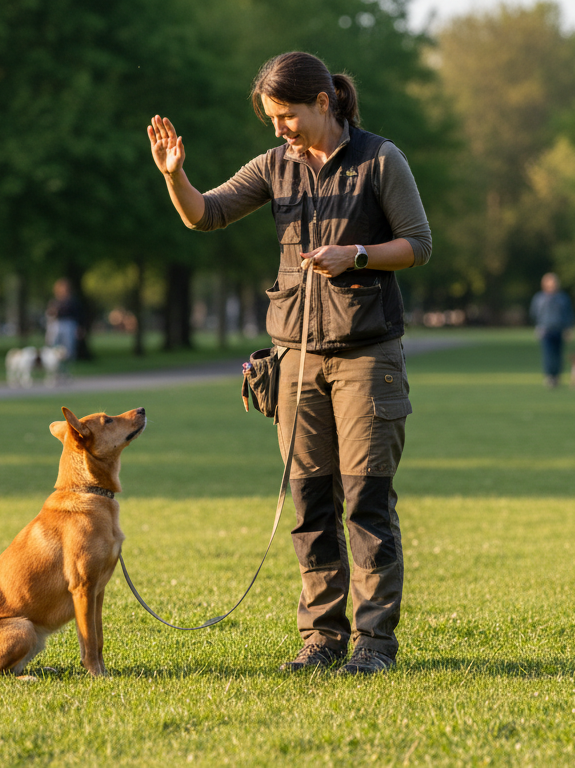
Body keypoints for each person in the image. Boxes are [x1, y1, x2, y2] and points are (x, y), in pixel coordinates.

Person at [147, 51, 432, 675]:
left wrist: (357, 254)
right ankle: (321, 640)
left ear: (322, 102)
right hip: (295, 359)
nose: (279, 129)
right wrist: (175, 176)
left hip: (366, 355)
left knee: (365, 501)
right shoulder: (273, 166)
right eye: (271, 118)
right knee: (310, 504)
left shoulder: (381, 160)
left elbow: (418, 244)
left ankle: (374, 644)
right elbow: (206, 214)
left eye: (287, 116)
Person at [530, 273, 575, 388]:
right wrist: (538, 327)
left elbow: (568, 314)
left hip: (559, 329)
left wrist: (569, 329)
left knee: (558, 354)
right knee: (548, 354)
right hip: (545, 330)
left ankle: (557, 375)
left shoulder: (562, 298)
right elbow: (535, 313)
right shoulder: (540, 298)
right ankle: (549, 375)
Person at [44, 278, 80, 361]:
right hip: (56, 324)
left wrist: (79, 327)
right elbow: (49, 314)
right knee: (53, 344)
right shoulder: (54, 301)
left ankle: (67, 363)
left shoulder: (72, 301)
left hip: (69, 324)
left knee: (68, 346)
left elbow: (77, 314)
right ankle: (54, 362)